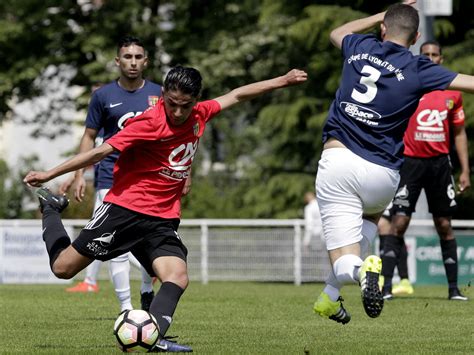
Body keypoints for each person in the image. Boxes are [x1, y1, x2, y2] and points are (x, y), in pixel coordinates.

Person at [24, 65, 307, 351]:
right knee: (62, 268)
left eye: (186, 105)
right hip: (125, 211)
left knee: (177, 276)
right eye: (172, 104)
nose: (179, 112)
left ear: (196, 99)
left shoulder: (200, 114)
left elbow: (237, 95)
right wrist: (50, 174)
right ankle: (51, 208)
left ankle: (153, 335)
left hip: (162, 218)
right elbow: (100, 151)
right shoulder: (149, 123)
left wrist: (282, 80)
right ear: (163, 95)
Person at [312, 1, 474, 325]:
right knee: (371, 215)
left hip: (339, 161)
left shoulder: (359, 44)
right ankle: (329, 299)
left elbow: (337, 32)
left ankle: (362, 271)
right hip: (383, 175)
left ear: (382, 29)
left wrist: (378, 16)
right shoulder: (418, 67)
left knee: (346, 262)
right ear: (415, 38)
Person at [59, 36, 164, 314]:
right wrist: (81, 174)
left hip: (151, 179)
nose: (133, 62)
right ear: (118, 61)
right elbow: (89, 137)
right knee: (112, 242)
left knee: (148, 240)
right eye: (127, 57)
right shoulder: (102, 96)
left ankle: (145, 292)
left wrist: (181, 173)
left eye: (138, 57)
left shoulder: (159, 94)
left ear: (146, 61)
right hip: (110, 178)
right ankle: (126, 310)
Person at [381, 40, 470, 301]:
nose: (430, 58)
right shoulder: (408, 86)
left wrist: (465, 170)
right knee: (398, 223)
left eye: (435, 55)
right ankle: (386, 288)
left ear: (441, 59)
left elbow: (460, 134)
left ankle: (454, 290)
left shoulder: (452, 94)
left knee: (444, 224)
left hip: (440, 165)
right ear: (419, 58)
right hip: (409, 163)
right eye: (426, 54)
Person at [377, 204, 413, 295]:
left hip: (394, 192)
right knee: (391, 229)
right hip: (384, 192)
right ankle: (404, 281)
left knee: (387, 225)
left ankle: (389, 279)